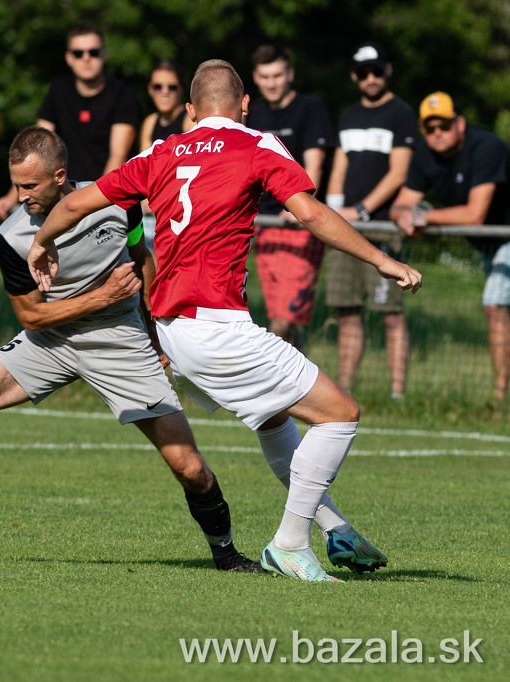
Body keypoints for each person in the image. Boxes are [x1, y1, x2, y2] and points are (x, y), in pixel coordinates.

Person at [27, 60, 422, 582]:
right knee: (339, 414)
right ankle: (288, 545)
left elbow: (77, 201)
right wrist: (381, 259)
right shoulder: (257, 144)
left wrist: (41, 242)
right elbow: (309, 213)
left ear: (190, 110)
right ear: (245, 105)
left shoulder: (160, 150)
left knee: (275, 420)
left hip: (172, 330)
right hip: (216, 327)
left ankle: (337, 530)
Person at [0, 126, 262, 574]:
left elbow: (142, 259)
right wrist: (101, 296)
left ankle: (227, 555)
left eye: (30, 185)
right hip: (50, 339)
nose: (21, 196)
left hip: (118, 338)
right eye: (16, 185)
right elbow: (31, 317)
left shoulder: (117, 202)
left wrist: (159, 336)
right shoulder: (11, 236)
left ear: (60, 176)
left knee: (189, 467)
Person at [391, 92, 510, 401]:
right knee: (499, 309)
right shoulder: (425, 154)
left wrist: (423, 217)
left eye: (444, 125)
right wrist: (404, 215)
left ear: (460, 124)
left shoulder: (486, 147)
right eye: (429, 128)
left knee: (494, 305)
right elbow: (402, 203)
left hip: (506, 238)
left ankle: (499, 398)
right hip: (490, 245)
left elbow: (474, 215)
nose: (437, 133)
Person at [325, 42, 419, 398]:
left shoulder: (401, 113)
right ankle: (345, 391)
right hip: (346, 229)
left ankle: (397, 395)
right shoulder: (348, 115)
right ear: (354, 76)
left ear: (387, 70)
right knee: (347, 313)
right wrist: (333, 213)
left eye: (376, 71)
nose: (370, 78)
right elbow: (339, 169)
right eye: (363, 73)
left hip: (382, 228)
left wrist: (361, 210)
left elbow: (399, 174)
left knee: (390, 314)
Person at [0, 24, 142, 219]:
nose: (86, 58)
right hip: (64, 201)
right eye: (79, 53)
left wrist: (94, 202)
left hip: (106, 200)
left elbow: (117, 156)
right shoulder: (59, 90)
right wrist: (11, 197)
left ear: (103, 55)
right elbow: (36, 148)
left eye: (93, 52)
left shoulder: (122, 94)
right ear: (69, 58)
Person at [246, 45, 334, 350]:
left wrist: (300, 206)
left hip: (298, 224)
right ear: (256, 78)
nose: (271, 83)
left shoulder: (310, 108)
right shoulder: (254, 114)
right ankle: (301, 376)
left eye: (277, 75)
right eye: (265, 76)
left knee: (282, 322)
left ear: (290, 74)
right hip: (265, 226)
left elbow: (315, 163)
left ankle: (268, 377)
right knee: (283, 320)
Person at [139, 60, 194, 150]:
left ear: (181, 89)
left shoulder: (191, 119)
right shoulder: (150, 123)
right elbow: (145, 158)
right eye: (157, 87)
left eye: (172, 87)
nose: (165, 92)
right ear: (150, 89)